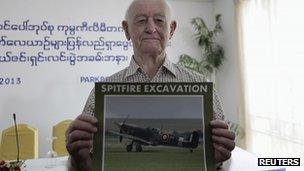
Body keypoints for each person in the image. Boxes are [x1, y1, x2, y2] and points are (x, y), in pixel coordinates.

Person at [65, 0, 235, 170]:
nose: (151, 28)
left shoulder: (201, 85)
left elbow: (223, 163)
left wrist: (219, 159)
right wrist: (77, 160)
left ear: (172, 29)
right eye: (141, 20)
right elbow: (85, 164)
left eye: (159, 20)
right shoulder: (101, 92)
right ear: (126, 29)